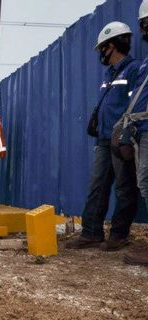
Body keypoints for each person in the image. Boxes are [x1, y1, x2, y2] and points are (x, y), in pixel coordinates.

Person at [66, 22, 140, 251]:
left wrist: (127, 135)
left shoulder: (134, 69)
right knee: (97, 186)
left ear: (113, 45)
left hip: (123, 139)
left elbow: (135, 105)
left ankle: (118, 235)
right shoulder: (108, 74)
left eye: (102, 49)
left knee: (124, 187)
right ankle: (91, 233)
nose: (101, 54)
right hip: (104, 140)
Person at [122, 0, 148, 265]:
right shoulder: (145, 63)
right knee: (144, 182)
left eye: (145, 25)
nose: (143, 32)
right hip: (142, 129)